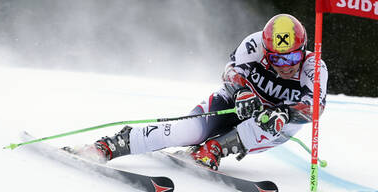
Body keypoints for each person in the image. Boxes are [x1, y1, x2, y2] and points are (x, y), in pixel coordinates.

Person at [70, 14, 328, 170]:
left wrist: (284, 113)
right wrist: (241, 91)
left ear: (303, 48)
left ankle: (214, 149)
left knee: (275, 124)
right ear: (266, 50)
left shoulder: (313, 67)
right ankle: (110, 145)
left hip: (266, 123)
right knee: (187, 131)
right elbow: (229, 71)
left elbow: (315, 108)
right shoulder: (253, 44)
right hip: (232, 104)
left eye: (292, 56)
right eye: (277, 59)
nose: (286, 65)